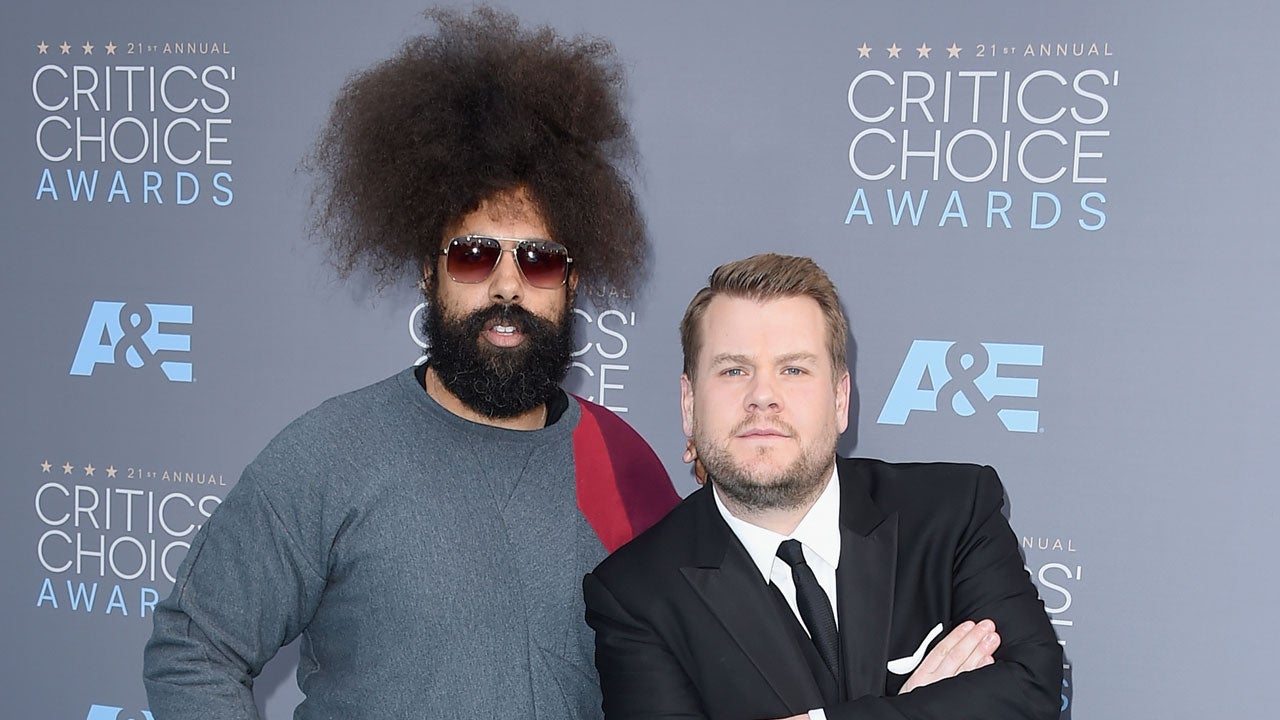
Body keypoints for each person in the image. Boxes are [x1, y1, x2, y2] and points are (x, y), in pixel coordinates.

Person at [143, 8, 679, 720]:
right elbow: (193, 649)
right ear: (429, 272)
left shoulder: (624, 464)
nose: (507, 286)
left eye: (540, 260)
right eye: (473, 253)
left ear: (574, 283)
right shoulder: (328, 455)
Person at [584, 254, 1062, 720]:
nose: (763, 396)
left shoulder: (954, 512)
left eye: (793, 369)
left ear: (840, 399)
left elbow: (1032, 689)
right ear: (689, 403)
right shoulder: (637, 593)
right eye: (734, 370)